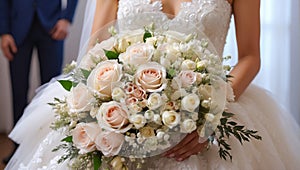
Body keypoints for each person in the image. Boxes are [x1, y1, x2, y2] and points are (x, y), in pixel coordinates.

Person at [4, 0, 300, 169]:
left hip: (205, 107)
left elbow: (250, 56)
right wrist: (104, 108)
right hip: (121, 109)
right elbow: (95, 47)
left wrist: (211, 114)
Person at [0, 0, 78, 164]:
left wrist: (66, 18)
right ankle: (18, 149)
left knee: (52, 93)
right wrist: (4, 31)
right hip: (17, 28)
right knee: (19, 92)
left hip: (52, 25)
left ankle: (50, 149)